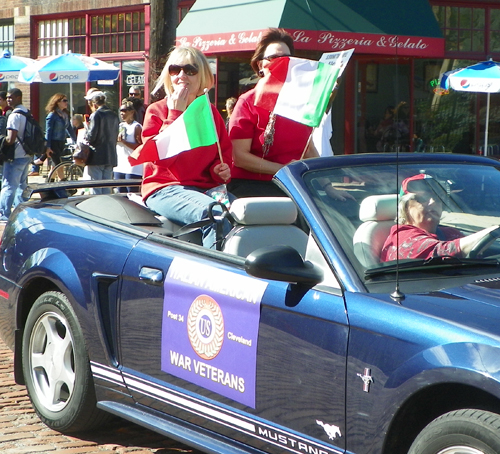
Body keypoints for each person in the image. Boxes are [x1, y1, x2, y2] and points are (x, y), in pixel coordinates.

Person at [136, 46, 232, 249]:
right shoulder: (156, 111)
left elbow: (223, 156)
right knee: (215, 215)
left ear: (203, 77)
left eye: (190, 70)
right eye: (175, 70)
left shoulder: (209, 113)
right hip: (164, 189)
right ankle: (215, 275)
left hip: (204, 190)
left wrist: (219, 170)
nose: (181, 76)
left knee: (248, 215)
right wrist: (175, 114)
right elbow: (159, 160)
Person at [228, 28, 319, 198]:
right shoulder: (247, 102)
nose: (281, 63)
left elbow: (309, 149)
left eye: (286, 59)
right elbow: (239, 156)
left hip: (293, 183)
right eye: (274, 58)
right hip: (253, 185)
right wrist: (283, 170)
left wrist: (327, 186)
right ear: (261, 65)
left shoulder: (301, 102)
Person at [380, 174, 500, 261]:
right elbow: (444, 252)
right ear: (405, 207)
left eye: (438, 198)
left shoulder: (449, 232)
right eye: (422, 199)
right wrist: (495, 229)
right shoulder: (402, 237)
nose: (433, 202)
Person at [0, 88, 31, 220]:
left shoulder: (14, 115)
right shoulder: (27, 112)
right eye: (7, 97)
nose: (8, 99)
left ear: (19, 97)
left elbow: (10, 139)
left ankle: (4, 214)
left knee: (8, 186)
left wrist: (1, 140)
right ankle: (21, 213)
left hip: (16, 155)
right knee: (21, 185)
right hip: (27, 154)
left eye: (11, 97)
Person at [84, 89, 119, 194]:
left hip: (96, 156)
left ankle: (96, 209)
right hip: (110, 156)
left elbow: (91, 137)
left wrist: (86, 128)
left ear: (93, 103)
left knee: (96, 188)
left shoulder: (96, 115)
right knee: (106, 188)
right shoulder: (113, 115)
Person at [34, 93, 72, 179]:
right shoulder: (52, 115)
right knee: (59, 165)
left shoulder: (65, 115)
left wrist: (75, 141)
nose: (66, 103)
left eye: (67, 101)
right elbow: (49, 131)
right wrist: (48, 146)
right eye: (64, 101)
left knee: (54, 166)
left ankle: (49, 184)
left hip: (61, 142)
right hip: (54, 142)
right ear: (57, 102)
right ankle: (66, 186)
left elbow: (69, 128)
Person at [114, 101, 143, 193]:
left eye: (124, 111)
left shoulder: (137, 126)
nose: (122, 113)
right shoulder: (120, 126)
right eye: (120, 111)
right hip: (120, 164)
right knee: (120, 192)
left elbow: (140, 147)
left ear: (132, 112)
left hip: (133, 166)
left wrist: (124, 142)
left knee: (132, 192)